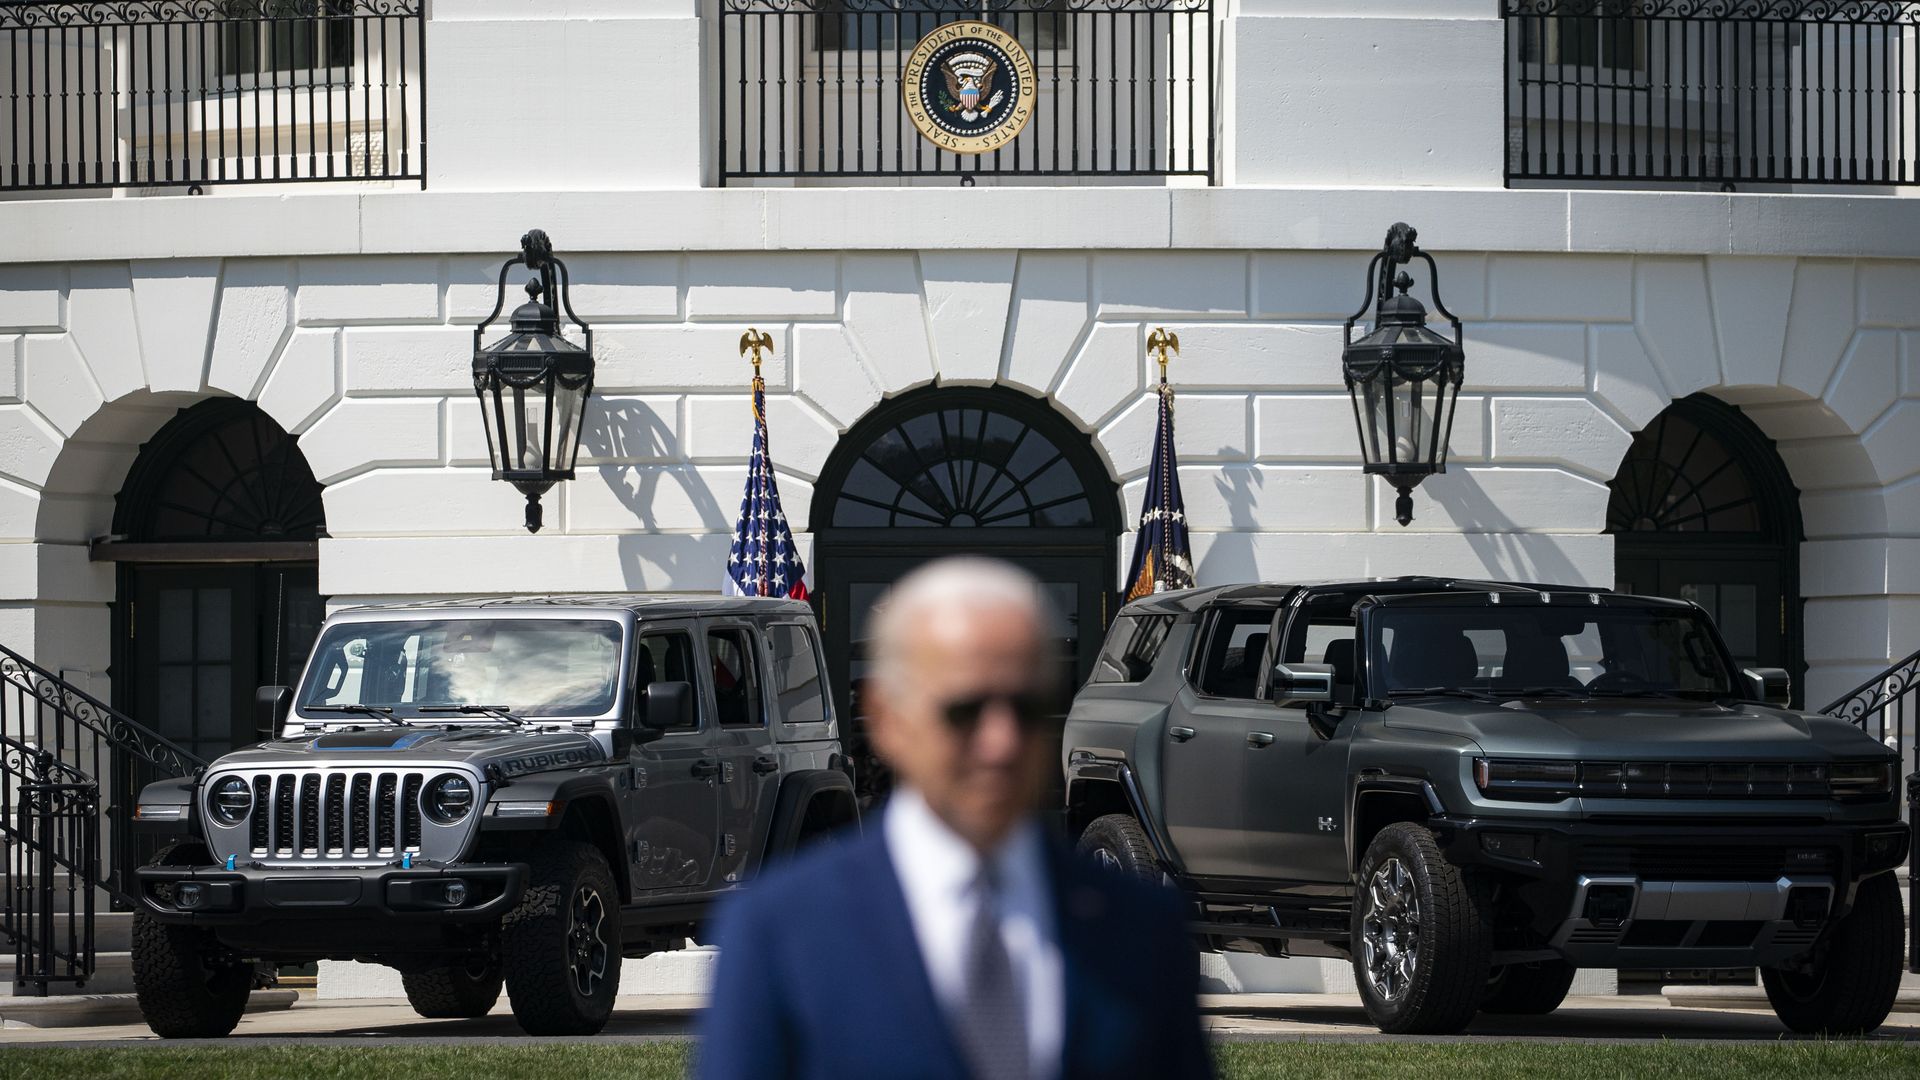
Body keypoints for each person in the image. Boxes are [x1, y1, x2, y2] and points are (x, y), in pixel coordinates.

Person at [698, 557, 1213, 1080]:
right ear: (886, 717)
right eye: (964, 710)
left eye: (1026, 707)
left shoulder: (1141, 930)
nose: (1002, 742)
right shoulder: (780, 935)